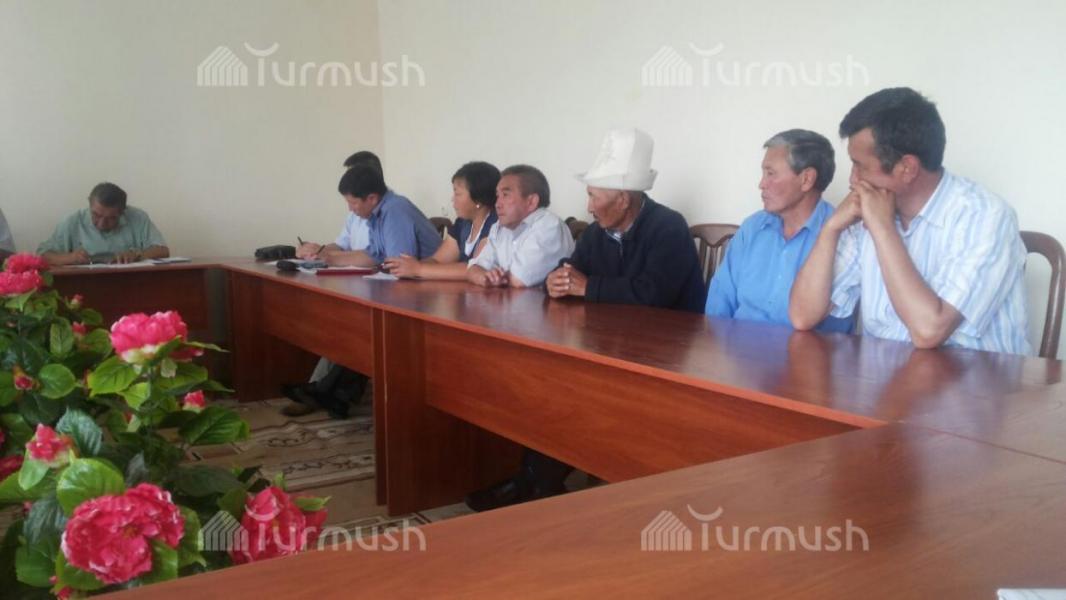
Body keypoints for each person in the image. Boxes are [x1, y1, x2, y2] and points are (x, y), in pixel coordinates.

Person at [467, 128, 702, 512]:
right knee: (552, 379)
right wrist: (557, 280)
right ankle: (534, 479)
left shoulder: (668, 227)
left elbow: (654, 293)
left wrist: (587, 286)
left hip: (669, 353)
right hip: (613, 344)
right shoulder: (597, 233)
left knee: (578, 389)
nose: (589, 207)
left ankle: (537, 482)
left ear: (623, 199)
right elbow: (571, 268)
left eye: (594, 197)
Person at [789, 87, 1030, 354]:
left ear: (907, 168)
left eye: (860, 166)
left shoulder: (985, 216)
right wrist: (831, 229)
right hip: (884, 375)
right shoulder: (867, 211)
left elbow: (929, 331)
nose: (852, 180)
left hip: (977, 376)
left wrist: (882, 228)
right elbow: (802, 316)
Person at [706, 129, 852, 332]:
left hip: (804, 352)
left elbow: (835, 332)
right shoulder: (752, 228)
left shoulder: (843, 236)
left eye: (771, 173)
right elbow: (719, 304)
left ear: (806, 179)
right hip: (736, 348)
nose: (761, 184)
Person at [383, 161, 500, 279]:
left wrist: (419, 269)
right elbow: (437, 261)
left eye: (458, 194)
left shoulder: (495, 224)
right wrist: (408, 266)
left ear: (478, 199)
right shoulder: (463, 224)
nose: (452, 199)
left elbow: (475, 269)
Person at [466, 164, 574, 288]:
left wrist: (492, 277)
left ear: (531, 201)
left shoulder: (549, 225)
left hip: (545, 300)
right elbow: (473, 269)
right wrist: (484, 277)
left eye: (505, 195)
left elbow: (519, 280)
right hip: (509, 299)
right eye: (498, 196)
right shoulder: (499, 227)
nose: (497, 204)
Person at [38, 183, 168, 265]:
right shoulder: (72, 222)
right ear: (89, 204)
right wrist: (71, 258)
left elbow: (162, 250)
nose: (101, 224)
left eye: (111, 218)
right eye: (96, 215)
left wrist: (137, 255)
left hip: (131, 282)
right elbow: (42, 256)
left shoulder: (137, 218)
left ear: (123, 212)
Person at [296, 151, 380, 259]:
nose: (347, 181)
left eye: (352, 176)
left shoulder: (389, 214)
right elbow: (341, 245)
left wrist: (325, 254)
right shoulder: (354, 213)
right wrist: (315, 250)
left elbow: (374, 256)